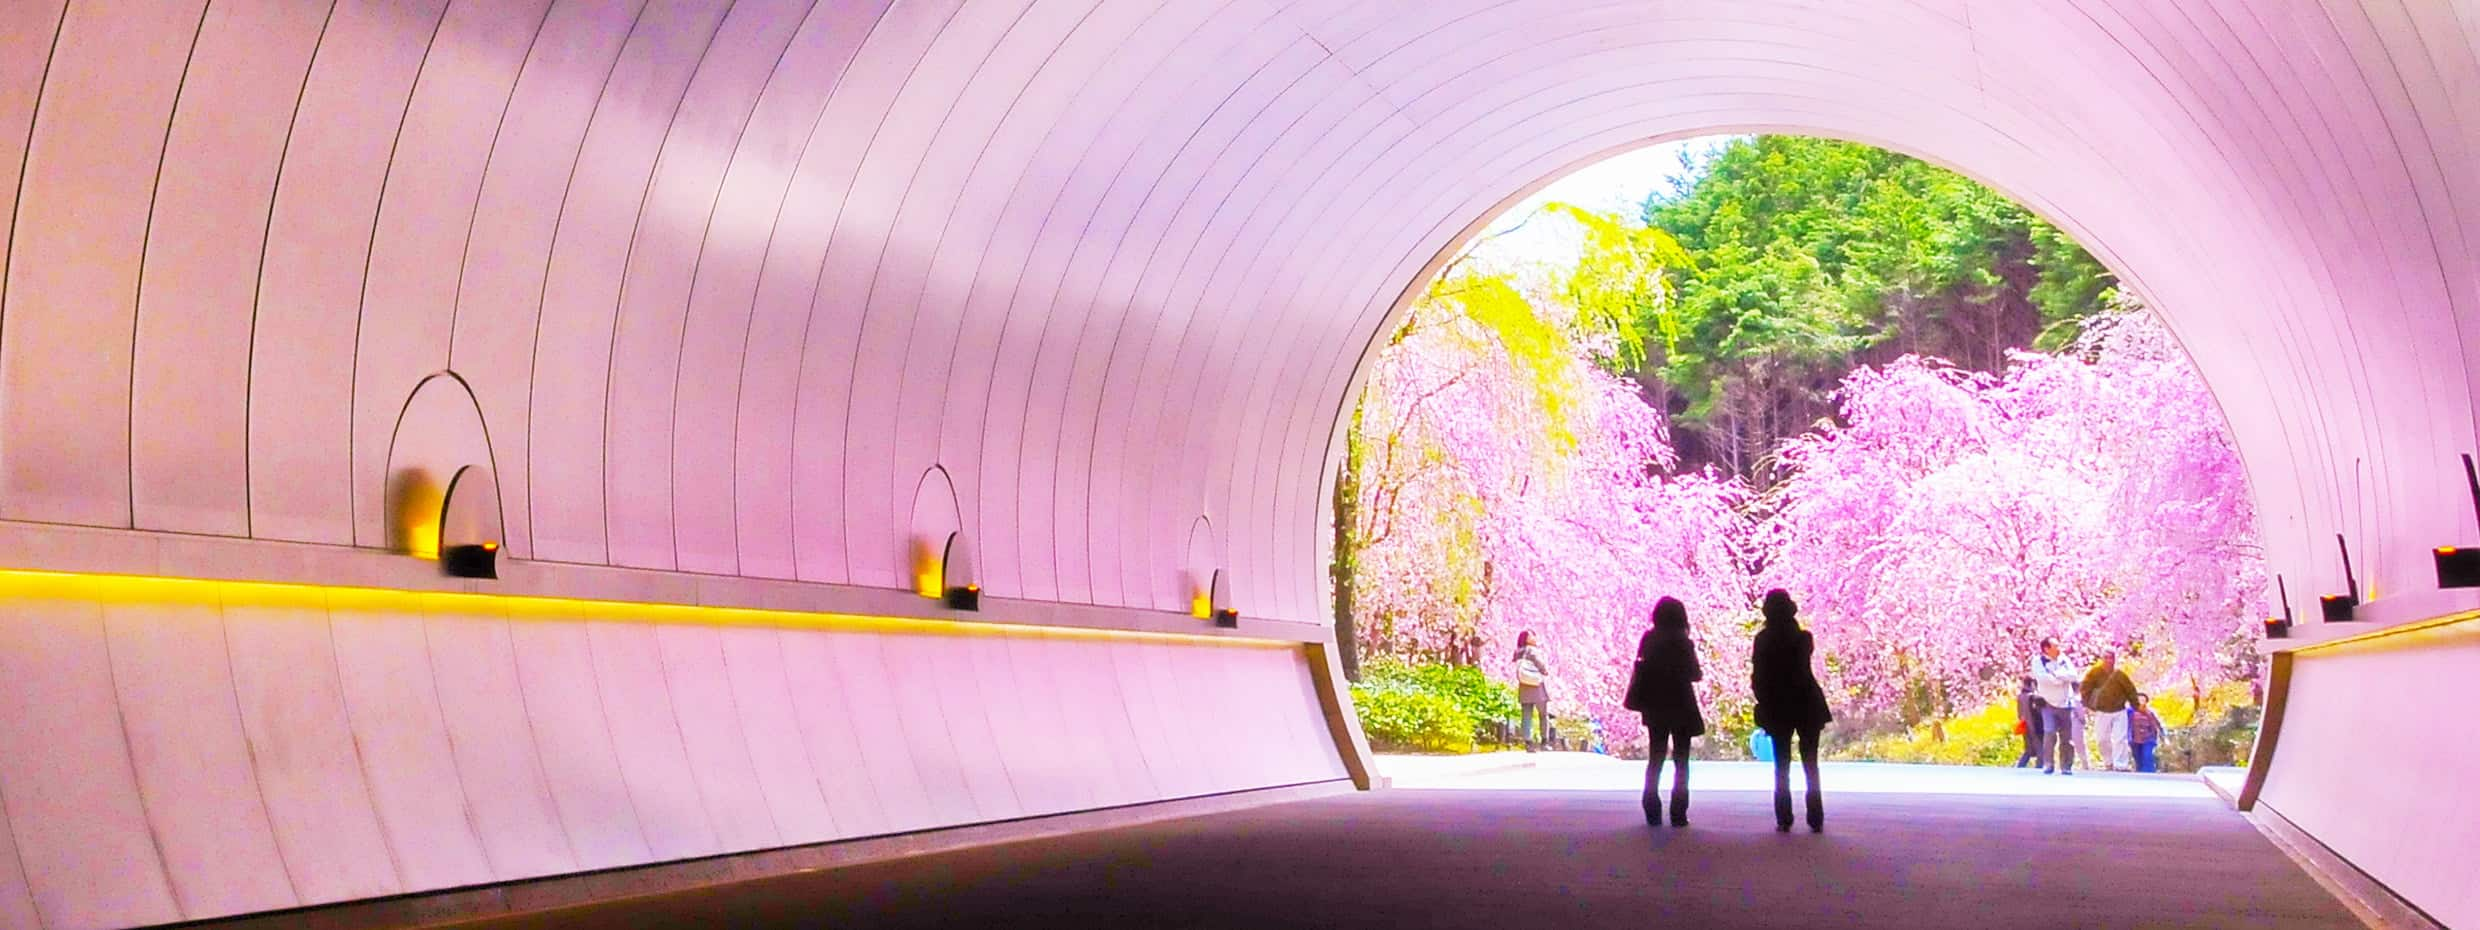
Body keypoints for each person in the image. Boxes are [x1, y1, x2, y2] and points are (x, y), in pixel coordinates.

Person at [1752, 589, 1833, 833]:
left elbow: (1758, 676)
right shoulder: (1804, 639)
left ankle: (1784, 816)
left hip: (1778, 704)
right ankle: (1815, 816)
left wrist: (1763, 700)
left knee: (1782, 763)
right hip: (1807, 702)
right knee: (1811, 762)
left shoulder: (1763, 640)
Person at [1623, 598, 1704, 827]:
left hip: (1655, 704)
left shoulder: (1649, 639)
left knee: (1655, 757)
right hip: (1680, 703)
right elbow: (1695, 673)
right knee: (1681, 760)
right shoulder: (1682, 642)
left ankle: (1651, 807)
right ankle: (1678, 812)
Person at [2030, 638, 2080, 775]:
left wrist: (2057, 675)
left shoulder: (2064, 659)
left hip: (2066, 703)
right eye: (2056, 646)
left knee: (2067, 737)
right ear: (2046, 648)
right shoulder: (2038, 661)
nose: (2059, 648)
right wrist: (2060, 680)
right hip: (2048, 703)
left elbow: (2073, 675)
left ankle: (2066, 765)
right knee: (2049, 732)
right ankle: (2048, 763)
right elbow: (2043, 678)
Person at [2081, 650, 2137, 771]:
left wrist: (2136, 706)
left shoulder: (2120, 675)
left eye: (2111, 658)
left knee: (2120, 738)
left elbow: (2131, 691)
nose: (2108, 660)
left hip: (2119, 710)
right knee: (2102, 739)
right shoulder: (2094, 673)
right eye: (2105, 658)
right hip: (2102, 711)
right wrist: (2087, 704)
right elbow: (2085, 688)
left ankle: (2120, 764)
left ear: (2114, 660)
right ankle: (2108, 761)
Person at [1513, 631, 1552, 752]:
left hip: (1524, 685)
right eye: (1531, 636)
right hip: (1536, 685)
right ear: (1526, 639)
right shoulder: (1532, 650)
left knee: (1526, 715)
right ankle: (1544, 741)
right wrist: (1544, 670)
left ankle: (1528, 742)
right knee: (1543, 714)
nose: (1534, 638)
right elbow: (1540, 663)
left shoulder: (1518, 651)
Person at [2013, 675, 2045, 769]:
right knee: (2040, 749)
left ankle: (2020, 766)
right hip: (2034, 726)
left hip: (2024, 725)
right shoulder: (2032, 697)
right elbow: (2038, 712)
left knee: (2028, 749)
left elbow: (2019, 713)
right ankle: (2039, 767)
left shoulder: (2020, 696)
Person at [2127, 692, 2164, 773]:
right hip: (2134, 738)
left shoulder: (2150, 713)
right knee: (2137, 757)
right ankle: (2140, 773)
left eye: (2143, 700)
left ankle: (2149, 773)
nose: (2141, 701)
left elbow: (2157, 724)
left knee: (2147, 755)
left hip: (2148, 738)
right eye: (2139, 699)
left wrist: (2162, 734)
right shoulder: (2129, 711)